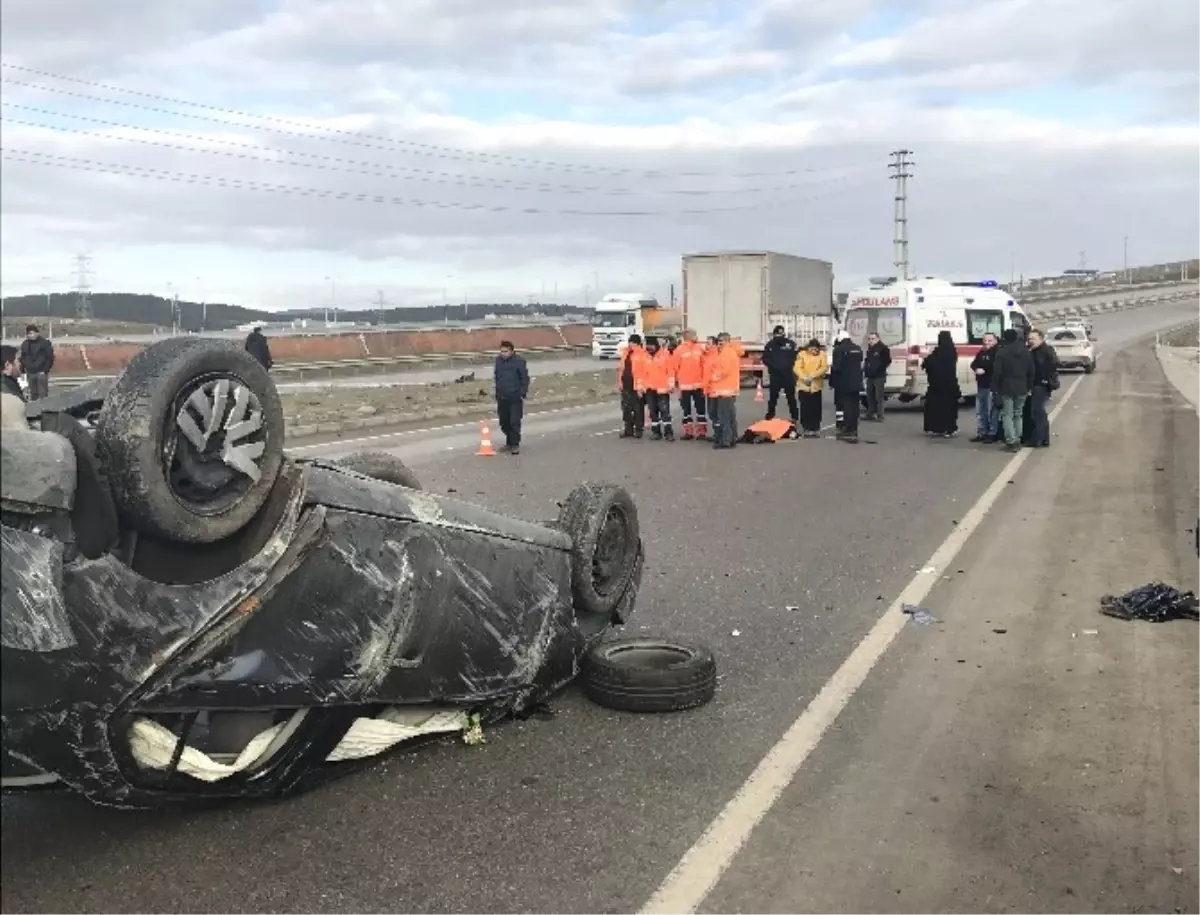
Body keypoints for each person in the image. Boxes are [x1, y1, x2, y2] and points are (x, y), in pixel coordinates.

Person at [991, 327, 1035, 452]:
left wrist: (994, 388)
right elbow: (1031, 371)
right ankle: (1017, 439)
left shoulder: (1002, 352)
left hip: (1006, 387)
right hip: (1022, 387)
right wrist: (1029, 387)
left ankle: (1011, 441)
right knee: (1018, 414)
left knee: (1007, 415)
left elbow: (997, 373)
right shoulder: (1026, 352)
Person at [921, 331, 961, 437]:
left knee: (936, 407)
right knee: (949, 408)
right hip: (949, 384)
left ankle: (937, 428)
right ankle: (949, 428)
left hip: (936, 385)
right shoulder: (952, 352)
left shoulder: (936, 352)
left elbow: (927, 363)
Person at [493, 340, 530, 455]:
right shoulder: (498, 361)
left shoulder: (519, 361)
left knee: (514, 422)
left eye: (506, 351)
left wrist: (522, 393)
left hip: (514, 397)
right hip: (502, 397)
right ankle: (509, 442)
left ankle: (515, 445)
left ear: (511, 351)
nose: (503, 353)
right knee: (504, 422)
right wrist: (496, 392)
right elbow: (496, 377)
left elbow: (525, 378)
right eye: (502, 351)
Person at [706, 333, 741, 449]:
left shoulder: (726, 353)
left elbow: (724, 371)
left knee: (724, 416)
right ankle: (732, 438)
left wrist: (714, 377)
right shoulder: (729, 352)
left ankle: (726, 440)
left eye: (721, 341)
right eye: (718, 341)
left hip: (724, 389)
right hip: (728, 389)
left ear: (727, 341)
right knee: (730, 415)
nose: (719, 343)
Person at [1027, 329, 1059, 448]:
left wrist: (1044, 378)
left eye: (1033, 338)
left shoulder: (1045, 350)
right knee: (1040, 412)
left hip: (1041, 385)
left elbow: (1054, 364)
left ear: (1041, 339)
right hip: (1038, 384)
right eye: (1029, 338)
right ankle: (1044, 439)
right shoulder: (1034, 350)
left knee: (1037, 412)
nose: (1030, 341)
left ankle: (1038, 439)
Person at [830, 333, 864, 443]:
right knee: (855, 405)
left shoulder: (839, 350)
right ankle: (854, 427)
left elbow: (836, 367)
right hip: (857, 382)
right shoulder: (857, 348)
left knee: (847, 406)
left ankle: (848, 428)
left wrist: (833, 381)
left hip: (844, 382)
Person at [761, 324, 799, 424]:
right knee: (773, 397)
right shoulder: (770, 345)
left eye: (780, 335)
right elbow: (765, 358)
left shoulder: (790, 344)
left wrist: (789, 365)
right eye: (777, 335)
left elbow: (796, 357)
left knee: (790, 397)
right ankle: (770, 415)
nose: (779, 337)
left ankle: (795, 416)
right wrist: (774, 366)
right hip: (776, 375)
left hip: (788, 375)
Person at [674, 330, 707, 440]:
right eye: (695, 335)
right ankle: (689, 432)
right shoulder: (679, 350)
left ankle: (701, 432)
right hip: (685, 386)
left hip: (698, 385)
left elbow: (704, 365)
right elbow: (674, 367)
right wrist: (676, 384)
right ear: (688, 337)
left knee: (701, 410)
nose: (697, 337)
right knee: (686, 411)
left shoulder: (700, 348)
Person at [642, 336, 677, 441]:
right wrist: (642, 387)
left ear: (656, 345)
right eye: (647, 346)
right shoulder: (645, 356)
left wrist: (671, 385)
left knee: (665, 412)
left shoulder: (665, 355)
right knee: (653, 412)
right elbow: (642, 373)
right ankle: (656, 432)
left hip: (662, 389)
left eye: (651, 346)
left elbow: (671, 372)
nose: (649, 348)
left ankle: (668, 433)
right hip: (649, 389)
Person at [793, 338, 828, 438]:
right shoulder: (802, 354)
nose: (814, 351)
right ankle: (807, 428)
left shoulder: (822, 355)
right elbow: (797, 367)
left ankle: (815, 427)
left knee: (816, 408)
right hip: (804, 386)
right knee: (805, 408)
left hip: (816, 386)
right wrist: (804, 377)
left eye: (816, 349)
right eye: (812, 349)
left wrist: (813, 376)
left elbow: (824, 367)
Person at [969, 333, 1000, 443]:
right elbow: (973, 364)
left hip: (991, 386)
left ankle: (992, 433)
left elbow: (996, 367)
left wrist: (985, 369)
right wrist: (976, 369)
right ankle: (982, 432)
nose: (986, 343)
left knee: (991, 411)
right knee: (980, 411)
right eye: (985, 340)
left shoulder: (998, 353)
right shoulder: (981, 352)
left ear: (995, 341)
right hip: (981, 385)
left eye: (989, 340)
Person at [617, 333, 649, 439]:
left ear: (638, 344)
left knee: (637, 409)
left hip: (637, 386)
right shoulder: (625, 353)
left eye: (633, 343)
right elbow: (621, 369)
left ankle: (638, 429)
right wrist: (620, 382)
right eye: (630, 342)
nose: (631, 345)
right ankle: (628, 429)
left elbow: (644, 372)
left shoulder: (642, 355)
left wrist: (641, 387)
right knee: (626, 408)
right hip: (626, 385)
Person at [18, 324, 54, 401]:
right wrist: (22, 371)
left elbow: (50, 358)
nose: (31, 335)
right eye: (29, 334)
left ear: (37, 333)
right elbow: (22, 358)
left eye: (33, 333)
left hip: (41, 372)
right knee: (33, 394)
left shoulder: (45, 343)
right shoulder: (25, 344)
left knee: (42, 394)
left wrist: (45, 370)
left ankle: (44, 411)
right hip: (30, 372)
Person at [862, 331, 892, 421]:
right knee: (869, 395)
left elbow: (887, 361)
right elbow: (868, 361)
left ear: (877, 339)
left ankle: (880, 415)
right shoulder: (870, 349)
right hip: (870, 376)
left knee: (879, 396)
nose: (870, 341)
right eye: (869, 339)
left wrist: (880, 369)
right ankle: (870, 413)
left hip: (879, 376)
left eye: (872, 339)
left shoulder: (883, 348)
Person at [701, 335, 720, 441]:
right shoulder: (708, 356)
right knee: (712, 412)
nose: (706, 345)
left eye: (708, 343)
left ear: (714, 344)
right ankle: (716, 433)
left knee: (714, 412)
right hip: (709, 389)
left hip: (714, 389)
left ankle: (718, 434)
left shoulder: (715, 356)